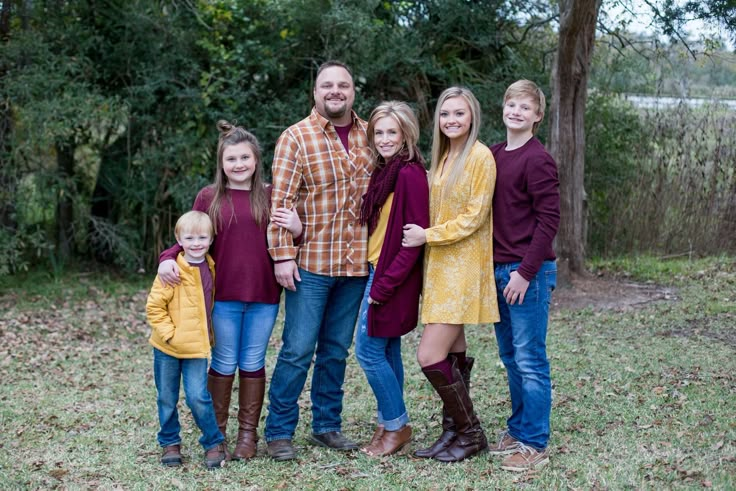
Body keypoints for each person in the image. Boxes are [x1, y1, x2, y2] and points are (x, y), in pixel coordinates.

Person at [157, 121, 301, 461]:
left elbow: (290, 240)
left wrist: (297, 228)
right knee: (223, 361)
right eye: (231, 159)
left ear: (256, 160)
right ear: (221, 163)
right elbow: (188, 236)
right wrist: (166, 258)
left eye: (245, 158)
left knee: (252, 362)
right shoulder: (209, 197)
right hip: (221, 296)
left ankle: (247, 436)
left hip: (264, 295)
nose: (238, 164)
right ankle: (216, 434)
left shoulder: (271, 194)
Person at [265, 60, 372, 461]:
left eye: (343, 85)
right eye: (327, 85)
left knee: (334, 351)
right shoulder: (296, 137)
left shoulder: (370, 134)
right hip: (310, 264)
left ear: (352, 91)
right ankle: (278, 431)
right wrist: (282, 256)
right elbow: (281, 203)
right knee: (296, 349)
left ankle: (327, 426)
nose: (335, 91)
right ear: (315, 92)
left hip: (356, 265)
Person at [402, 86, 499, 463]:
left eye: (459, 113)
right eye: (445, 114)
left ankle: (472, 432)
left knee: (429, 354)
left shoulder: (480, 156)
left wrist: (429, 235)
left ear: (472, 116)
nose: (451, 120)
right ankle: (453, 432)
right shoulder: (442, 157)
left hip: (462, 265)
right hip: (439, 266)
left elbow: (475, 216)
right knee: (454, 354)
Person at [488, 79, 560, 472]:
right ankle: (517, 429)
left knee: (530, 358)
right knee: (510, 356)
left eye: (525, 107)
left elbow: (549, 221)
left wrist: (525, 273)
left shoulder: (538, 158)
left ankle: (534, 441)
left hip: (525, 272)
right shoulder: (495, 154)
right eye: (511, 104)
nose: (516, 111)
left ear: (537, 115)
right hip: (497, 270)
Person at [355, 101, 429, 457]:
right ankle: (388, 423)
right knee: (386, 348)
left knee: (367, 351)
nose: (384, 139)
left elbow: (412, 243)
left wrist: (383, 286)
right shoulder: (384, 172)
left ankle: (397, 426)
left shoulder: (410, 174)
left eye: (391, 132)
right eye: (379, 132)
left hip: (390, 277)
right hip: (375, 269)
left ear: (406, 134)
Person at [146, 210, 226, 469]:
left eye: (202, 237)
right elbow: (154, 307)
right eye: (189, 238)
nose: (196, 243)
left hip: (195, 349)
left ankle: (213, 442)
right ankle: (170, 442)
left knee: (197, 397)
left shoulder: (211, 267)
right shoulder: (171, 270)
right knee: (167, 397)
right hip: (167, 348)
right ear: (178, 239)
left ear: (211, 239)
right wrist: (169, 334)